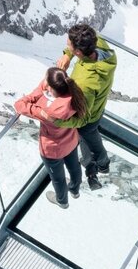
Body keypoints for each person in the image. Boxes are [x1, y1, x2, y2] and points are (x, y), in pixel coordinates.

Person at [55, 24, 117, 190]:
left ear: (79, 53)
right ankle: (95, 167)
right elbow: (90, 32)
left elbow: (83, 118)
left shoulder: (85, 83)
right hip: (98, 106)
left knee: (90, 137)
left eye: (69, 46)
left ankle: (102, 164)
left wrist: (58, 121)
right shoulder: (100, 46)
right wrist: (68, 55)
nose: (66, 47)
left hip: (89, 118)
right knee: (88, 138)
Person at [14, 67, 87, 209]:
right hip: (71, 141)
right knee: (74, 167)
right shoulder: (73, 95)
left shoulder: (47, 110)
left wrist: (39, 94)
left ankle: (62, 201)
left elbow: (19, 105)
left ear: (51, 87)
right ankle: (74, 190)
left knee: (58, 179)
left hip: (52, 150)